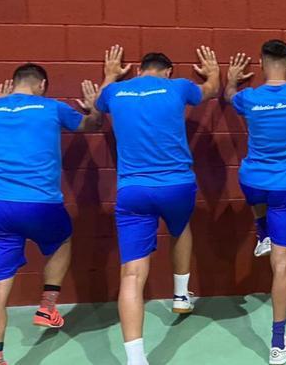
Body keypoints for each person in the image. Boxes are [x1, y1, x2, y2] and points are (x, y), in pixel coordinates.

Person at [94, 45, 220, 365]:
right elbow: (210, 90)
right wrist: (214, 72)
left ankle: (136, 359)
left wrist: (109, 75)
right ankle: (180, 295)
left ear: (138, 71)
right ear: (167, 72)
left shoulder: (117, 91)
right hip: (177, 187)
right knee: (181, 228)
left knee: (132, 275)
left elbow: (99, 102)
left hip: (133, 191)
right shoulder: (178, 87)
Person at [0, 64, 102, 365]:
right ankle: (47, 305)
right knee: (63, 239)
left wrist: (0, 103)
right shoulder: (52, 108)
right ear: (41, 84)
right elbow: (90, 126)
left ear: (13, 83)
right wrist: (94, 110)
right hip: (41, 205)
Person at [224, 41, 286, 364]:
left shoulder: (249, 98)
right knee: (281, 266)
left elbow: (228, 98)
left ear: (262, 62)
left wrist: (231, 80)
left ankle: (260, 229)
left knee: (253, 188)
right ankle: (277, 344)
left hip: (252, 183)